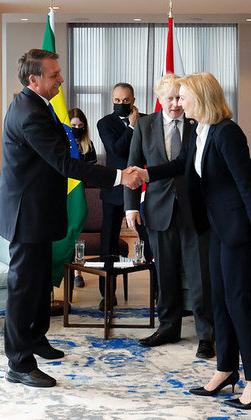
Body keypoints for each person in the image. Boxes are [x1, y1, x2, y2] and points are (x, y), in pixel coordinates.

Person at [0, 49, 144, 388]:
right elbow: (66, 164)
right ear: (34, 79)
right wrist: (121, 176)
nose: (61, 79)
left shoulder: (36, 105)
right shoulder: (29, 113)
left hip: (39, 211)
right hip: (26, 216)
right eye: (54, 75)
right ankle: (18, 363)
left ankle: (34, 338)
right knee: (23, 289)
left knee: (37, 284)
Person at [131, 72, 251, 410]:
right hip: (211, 227)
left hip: (237, 230)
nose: (178, 103)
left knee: (238, 301)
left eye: (183, 97)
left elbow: (246, 183)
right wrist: (147, 174)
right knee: (219, 301)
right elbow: (182, 165)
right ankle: (225, 369)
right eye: (176, 98)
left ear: (201, 98)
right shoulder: (200, 130)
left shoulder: (228, 132)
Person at [124, 74, 215, 358]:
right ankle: (168, 328)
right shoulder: (144, 125)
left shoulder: (197, 123)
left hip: (195, 209)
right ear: (159, 99)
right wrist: (130, 207)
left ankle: (207, 335)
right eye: (169, 98)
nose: (175, 104)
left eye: (179, 97)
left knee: (200, 275)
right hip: (157, 209)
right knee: (165, 273)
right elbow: (132, 166)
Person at [96, 83, 152, 310]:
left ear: (133, 99)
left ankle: (158, 293)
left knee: (150, 240)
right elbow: (116, 151)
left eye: (125, 100)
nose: (120, 104)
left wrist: (137, 125)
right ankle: (107, 294)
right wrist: (131, 127)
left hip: (143, 189)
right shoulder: (104, 123)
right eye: (116, 101)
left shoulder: (148, 120)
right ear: (112, 100)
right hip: (115, 189)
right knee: (108, 242)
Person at [68, 107, 97, 288]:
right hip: (66, 195)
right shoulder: (63, 143)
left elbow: (92, 172)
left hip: (83, 196)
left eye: (80, 125)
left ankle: (78, 271)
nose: (77, 128)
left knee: (78, 233)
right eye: (73, 125)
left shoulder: (89, 145)